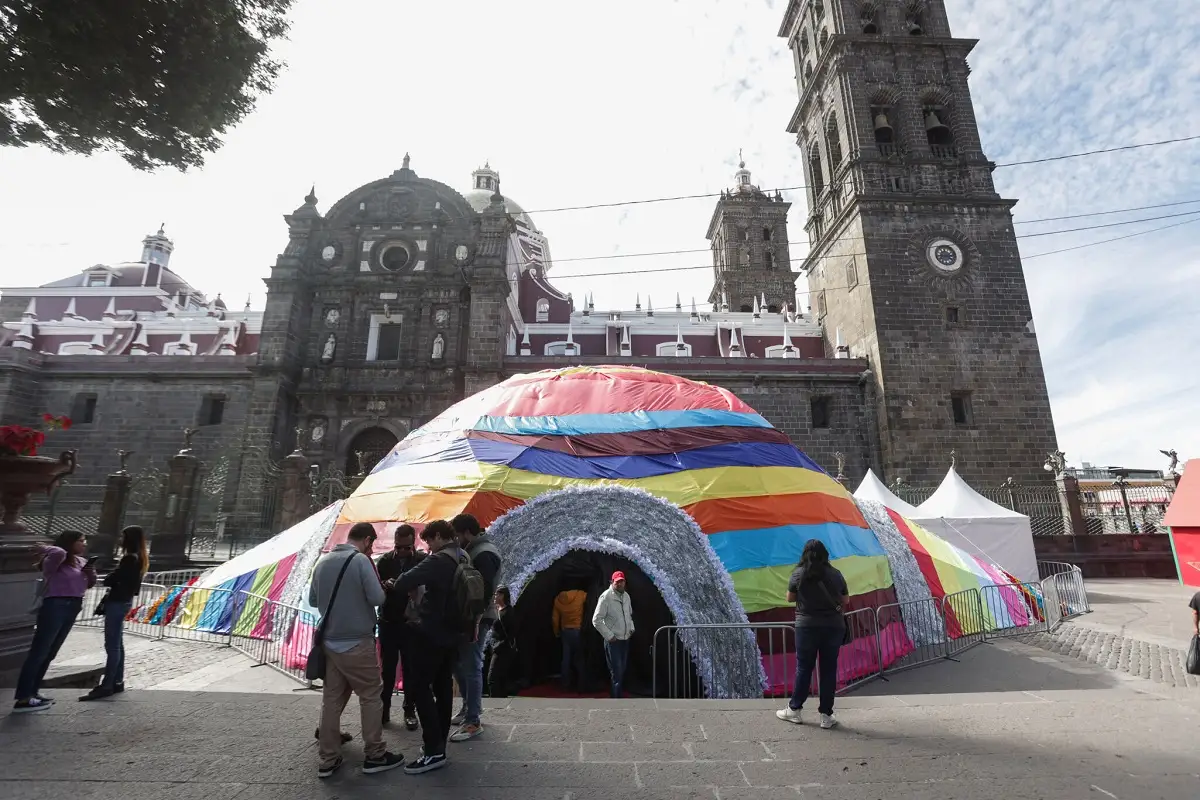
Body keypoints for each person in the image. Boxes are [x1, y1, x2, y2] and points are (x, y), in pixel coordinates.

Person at [310, 523, 404, 779]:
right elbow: (377, 599)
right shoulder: (361, 562)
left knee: (331, 698)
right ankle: (375, 754)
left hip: (330, 641)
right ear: (366, 540)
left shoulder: (323, 562)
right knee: (371, 695)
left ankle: (328, 758)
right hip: (356, 642)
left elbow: (313, 601)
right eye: (371, 543)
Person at [391, 519, 463, 775]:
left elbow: (403, 581)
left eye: (430, 541)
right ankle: (439, 743)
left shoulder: (437, 560)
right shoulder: (463, 556)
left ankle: (433, 750)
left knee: (419, 687)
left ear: (439, 537)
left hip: (431, 633)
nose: (429, 547)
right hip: (454, 634)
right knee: (443, 687)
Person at [13, 530, 97, 712]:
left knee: (51, 651)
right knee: (40, 650)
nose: (84, 544)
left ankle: (34, 692)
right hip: (55, 604)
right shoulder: (56, 560)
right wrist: (46, 548)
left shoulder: (81, 562)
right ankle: (23, 697)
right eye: (81, 541)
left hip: (74, 605)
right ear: (70, 542)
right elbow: (58, 552)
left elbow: (89, 583)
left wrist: (90, 573)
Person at [776, 539, 848, 730]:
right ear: (825, 555)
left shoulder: (798, 574)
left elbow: (790, 597)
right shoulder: (835, 574)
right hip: (833, 626)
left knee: (804, 668)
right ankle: (826, 715)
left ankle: (795, 709)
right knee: (828, 670)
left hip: (806, 626)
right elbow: (845, 599)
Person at [448, 513, 500, 743]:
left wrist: (475, 620)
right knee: (462, 663)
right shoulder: (477, 550)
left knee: (471, 664)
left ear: (466, 532)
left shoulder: (484, 553)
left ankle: (473, 720)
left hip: (478, 617)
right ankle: (469, 708)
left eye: (457, 535)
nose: (456, 540)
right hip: (472, 617)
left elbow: (484, 590)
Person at [80, 526, 148, 701]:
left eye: (123, 536)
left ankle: (108, 683)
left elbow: (111, 579)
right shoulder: (139, 558)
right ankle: (117, 680)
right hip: (124, 601)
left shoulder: (129, 559)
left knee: (112, 645)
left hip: (117, 602)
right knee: (118, 643)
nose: (119, 539)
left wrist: (112, 575)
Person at [376, 523, 425, 730]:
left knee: (410, 668)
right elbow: (374, 586)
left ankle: (409, 709)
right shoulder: (385, 561)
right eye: (399, 547)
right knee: (387, 669)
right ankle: (384, 709)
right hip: (389, 621)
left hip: (411, 624)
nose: (402, 552)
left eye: (406, 547)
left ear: (413, 544)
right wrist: (385, 584)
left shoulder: (422, 561)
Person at [592, 571, 635, 698]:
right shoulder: (605, 597)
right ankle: (617, 698)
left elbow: (629, 614)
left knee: (622, 669)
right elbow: (596, 619)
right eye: (618, 582)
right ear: (612, 582)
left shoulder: (626, 596)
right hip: (614, 641)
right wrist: (609, 636)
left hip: (625, 638)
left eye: (622, 581)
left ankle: (617, 694)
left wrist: (631, 628)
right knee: (617, 671)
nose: (620, 584)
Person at [553, 585, 587, 692]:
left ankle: (565, 684)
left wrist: (556, 632)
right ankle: (581, 683)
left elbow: (555, 619)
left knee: (566, 658)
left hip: (565, 631)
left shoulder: (558, 600)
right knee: (580, 658)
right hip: (578, 630)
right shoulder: (580, 594)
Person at [487, 587, 519, 697]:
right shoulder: (496, 610)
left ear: (503, 596)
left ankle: (495, 700)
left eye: (497, 594)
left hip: (503, 649)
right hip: (495, 646)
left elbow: (512, 632)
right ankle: (500, 698)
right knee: (500, 677)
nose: (495, 597)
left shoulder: (508, 612)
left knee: (493, 677)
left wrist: (499, 645)